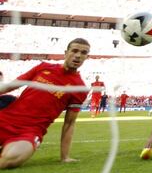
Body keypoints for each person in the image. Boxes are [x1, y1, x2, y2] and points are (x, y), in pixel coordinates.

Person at [0, 38, 90, 169]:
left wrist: (65, 156)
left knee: (10, 160)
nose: (78, 55)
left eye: (83, 53)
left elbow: (69, 123)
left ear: (87, 57)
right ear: (66, 53)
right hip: (5, 120)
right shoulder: (43, 67)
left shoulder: (79, 88)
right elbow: (9, 87)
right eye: (74, 51)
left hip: (29, 132)